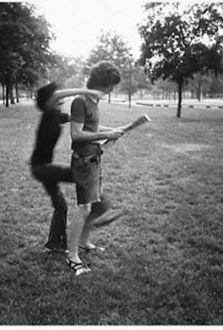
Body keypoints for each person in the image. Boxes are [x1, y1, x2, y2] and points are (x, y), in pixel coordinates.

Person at [66, 61, 132, 275]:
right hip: (83, 162)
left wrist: (113, 130)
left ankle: (84, 243)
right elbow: (76, 134)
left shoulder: (94, 102)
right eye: (110, 86)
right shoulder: (80, 101)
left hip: (94, 160)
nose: (112, 90)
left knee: (96, 205)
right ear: (101, 84)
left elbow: (91, 128)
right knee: (84, 208)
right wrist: (106, 135)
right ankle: (72, 255)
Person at [30, 82, 106, 253]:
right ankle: (99, 205)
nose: (60, 99)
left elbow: (79, 121)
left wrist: (107, 132)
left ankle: (54, 243)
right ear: (49, 100)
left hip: (44, 167)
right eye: (55, 97)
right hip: (41, 167)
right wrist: (85, 90)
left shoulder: (56, 115)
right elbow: (57, 96)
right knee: (81, 175)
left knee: (61, 205)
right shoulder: (48, 114)